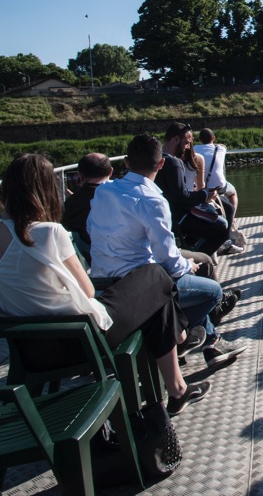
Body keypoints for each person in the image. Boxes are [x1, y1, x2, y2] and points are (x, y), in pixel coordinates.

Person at [0, 153, 211, 416]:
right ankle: (180, 343)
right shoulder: (48, 233)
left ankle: (178, 387)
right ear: (46, 190)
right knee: (155, 275)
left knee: (156, 300)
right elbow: (88, 291)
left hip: (28, 345)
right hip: (80, 339)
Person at [89, 134, 247, 371]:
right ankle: (186, 335)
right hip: (138, 286)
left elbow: (93, 230)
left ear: (126, 162)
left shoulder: (103, 192)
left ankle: (209, 340)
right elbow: (167, 259)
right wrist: (187, 266)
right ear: (161, 164)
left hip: (103, 281)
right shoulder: (152, 200)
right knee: (212, 291)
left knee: (198, 265)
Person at [157, 122, 231, 254]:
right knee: (222, 228)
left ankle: (190, 251)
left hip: (163, 215)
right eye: (186, 143)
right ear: (175, 140)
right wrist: (205, 195)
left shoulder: (156, 159)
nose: (187, 147)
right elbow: (182, 197)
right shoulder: (174, 162)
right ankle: (196, 260)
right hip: (178, 217)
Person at [194, 128, 245, 248]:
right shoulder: (220, 149)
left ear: (199, 139)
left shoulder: (194, 149)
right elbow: (223, 145)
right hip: (219, 186)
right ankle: (232, 219)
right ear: (213, 138)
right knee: (232, 193)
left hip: (201, 187)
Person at [61, 152, 113, 262]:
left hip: (87, 258)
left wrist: (75, 199)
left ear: (80, 175)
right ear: (111, 172)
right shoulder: (120, 197)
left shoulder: (71, 203)